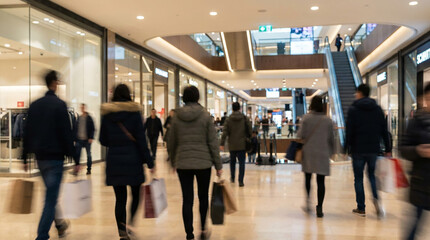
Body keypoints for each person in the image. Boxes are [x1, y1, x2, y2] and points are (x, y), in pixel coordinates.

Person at [22, 70, 80, 240]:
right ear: (54, 83)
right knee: (50, 199)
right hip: (55, 159)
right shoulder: (60, 105)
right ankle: (41, 236)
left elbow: (28, 132)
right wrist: (75, 158)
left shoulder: (35, 105)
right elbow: (66, 134)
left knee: (50, 194)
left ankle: (60, 225)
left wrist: (25, 157)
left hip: (40, 158)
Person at [99, 84, 154, 240]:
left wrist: (115, 141)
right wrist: (150, 163)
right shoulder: (135, 114)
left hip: (115, 161)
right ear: (129, 95)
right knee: (136, 194)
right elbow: (142, 141)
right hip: (134, 161)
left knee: (120, 198)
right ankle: (130, 224)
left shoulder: (107, 114)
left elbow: (102, 140)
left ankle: (122, 231)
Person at [167, 86, 222, 240]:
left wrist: (172, 161)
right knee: (203, 197)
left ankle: (189, 233)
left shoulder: (177, 116)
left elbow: (172, 142)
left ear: (184, 97)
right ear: (198, 98)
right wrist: (218, 166)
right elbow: (213, 142)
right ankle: (203, 230)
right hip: (203, 163)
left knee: (187, 198)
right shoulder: (205, 116)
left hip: (183, 163)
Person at [346, 84, 391, 218]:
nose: (355, 95)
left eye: (356, 93)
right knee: (371, 176)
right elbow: (384, 130)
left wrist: (346, 147)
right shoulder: (377, 109)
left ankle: (361, 207)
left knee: (358, 178)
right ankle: (376, 200)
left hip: (358, 149)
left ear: (360, 93)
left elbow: (349, 131)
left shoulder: (353, 109)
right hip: (373, 149)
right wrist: (388, 148)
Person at [400, 83, 430, 240]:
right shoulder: (416, 122)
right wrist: (419, 150)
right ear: (423, 100)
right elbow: (403, 148)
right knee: (414, 225)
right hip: (421, 182)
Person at [297, 96, 335, 218]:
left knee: (308, 178)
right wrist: (332, 151)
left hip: (308, 153)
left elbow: (300, 135)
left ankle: (308, 203)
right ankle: (319, 207)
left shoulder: (306, 118)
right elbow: (331, 139)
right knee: (321, 181)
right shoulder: (328, 120)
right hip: (323, 153)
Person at [221, 102, 252, 187]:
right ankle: (241, 181)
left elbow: (225, 131)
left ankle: (232, 177)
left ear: (232, 108)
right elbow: (250, 128)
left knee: (232, 161)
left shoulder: (229, 119)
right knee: (242, 162)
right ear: (239, 108)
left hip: (232, 144)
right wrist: (248, 136)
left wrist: (222, 142)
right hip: (242, 144)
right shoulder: (244, 118)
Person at [74, 103, 95, 175]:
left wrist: (91, 137)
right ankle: (77, 168)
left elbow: (93, 128)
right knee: (77, 154)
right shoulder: (79, 118)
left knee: (89, 155)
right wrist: (75, 138)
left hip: (87, 140)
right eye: (81, 107)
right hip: (79, 139)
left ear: (85, 108)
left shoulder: (89, 118)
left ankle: (89, 169)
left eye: (83, 107)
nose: (82, 109)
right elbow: (75, 129)